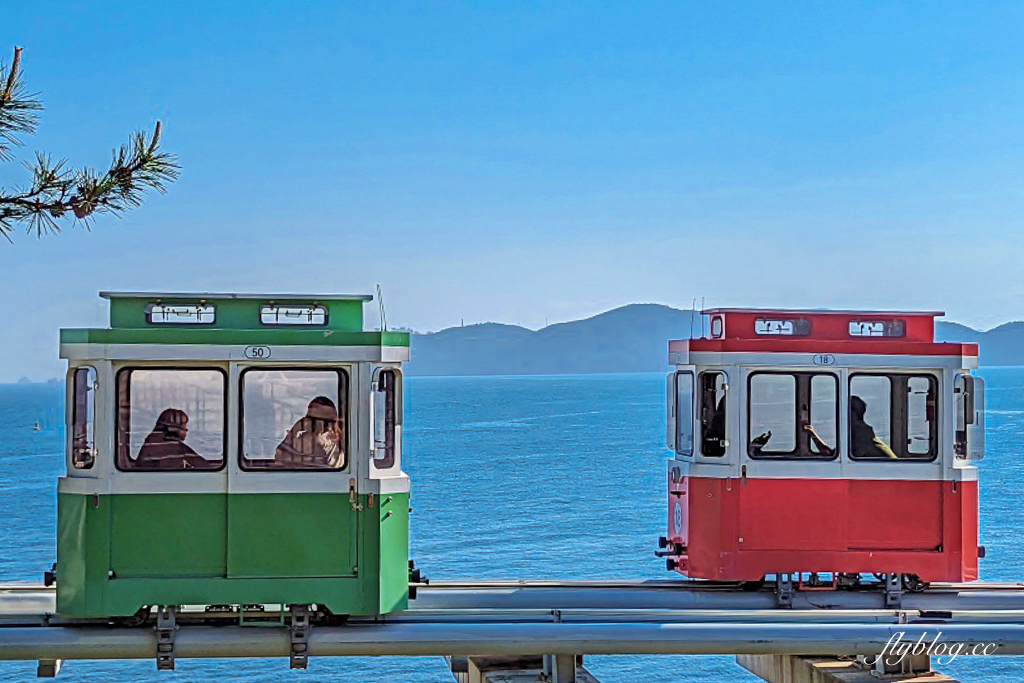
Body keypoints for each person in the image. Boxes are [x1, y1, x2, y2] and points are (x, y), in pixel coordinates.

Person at [275, 396, 344, 469]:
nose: (307, 422)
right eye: (308, 418)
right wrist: (294, 431)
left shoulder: (334, 442)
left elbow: (335, 466)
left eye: (328, 422)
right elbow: (279, 457)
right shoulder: (300, 440)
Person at [136, 408, 206, 469]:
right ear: (174, 429)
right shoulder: (175, 448)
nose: (186, 431)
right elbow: (203, 466)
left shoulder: (151, 443)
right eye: (184, 427)